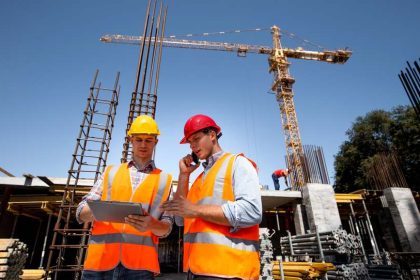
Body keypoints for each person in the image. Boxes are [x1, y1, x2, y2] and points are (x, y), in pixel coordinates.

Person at [161, 114, 262, 280]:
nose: (192, 146)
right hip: (196, 271)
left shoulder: (237, 163)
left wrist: (195, 210)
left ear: (212, 135)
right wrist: (184, 175)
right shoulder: (199, 179)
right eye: (189, 142)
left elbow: (252, 211)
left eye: (196, 139)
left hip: (230, 271)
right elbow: (180, 219)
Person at [76, 115, 173, 280]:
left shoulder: (165, 180)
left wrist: (153, 224)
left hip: (140, 267)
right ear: (131, 140)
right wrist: (98, 211)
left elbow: (167, 227)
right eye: (139, 139)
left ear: (155, 142)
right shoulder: (110, 172)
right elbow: (80, 212)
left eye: (149, 140)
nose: (143, 144)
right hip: (99, 263)